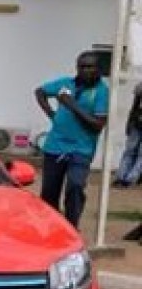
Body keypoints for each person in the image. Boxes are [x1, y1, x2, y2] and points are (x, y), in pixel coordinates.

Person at [34, 52, 109, 228]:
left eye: (90, 66)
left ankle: (71, 227)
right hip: (55, 146)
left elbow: (97, 124)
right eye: (81, 66)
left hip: (81, 150)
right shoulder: (65, 83)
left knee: (75, 187)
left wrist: (71, 104)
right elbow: (40, 92)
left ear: (99, 69)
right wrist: (51, 114)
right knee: (49, 193)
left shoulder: (101, 91)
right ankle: (51, 228)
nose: (85, 70)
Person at [114, 81, 142, 187]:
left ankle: (131, 179)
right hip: (137, 124)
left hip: (137, 123)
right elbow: (134, 106)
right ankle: (120, 177)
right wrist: (129, 122)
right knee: (129, 151)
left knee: (140, 154)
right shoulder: (140, 86)